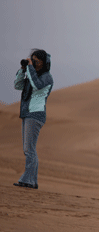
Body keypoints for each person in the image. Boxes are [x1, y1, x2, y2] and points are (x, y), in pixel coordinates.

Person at [13, 49, 53, 190]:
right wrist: (23, 70)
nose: (34, 62)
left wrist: (30, 68)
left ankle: (28, 180)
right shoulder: (31, 74)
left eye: (37, 61)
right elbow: (17, 85)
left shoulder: (47, 77)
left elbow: (37, 85)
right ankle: (32, 181)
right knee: (28, 149)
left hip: (35, 114)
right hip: (27, 113)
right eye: (33, 59)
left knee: (29, 149)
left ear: (44, 62)